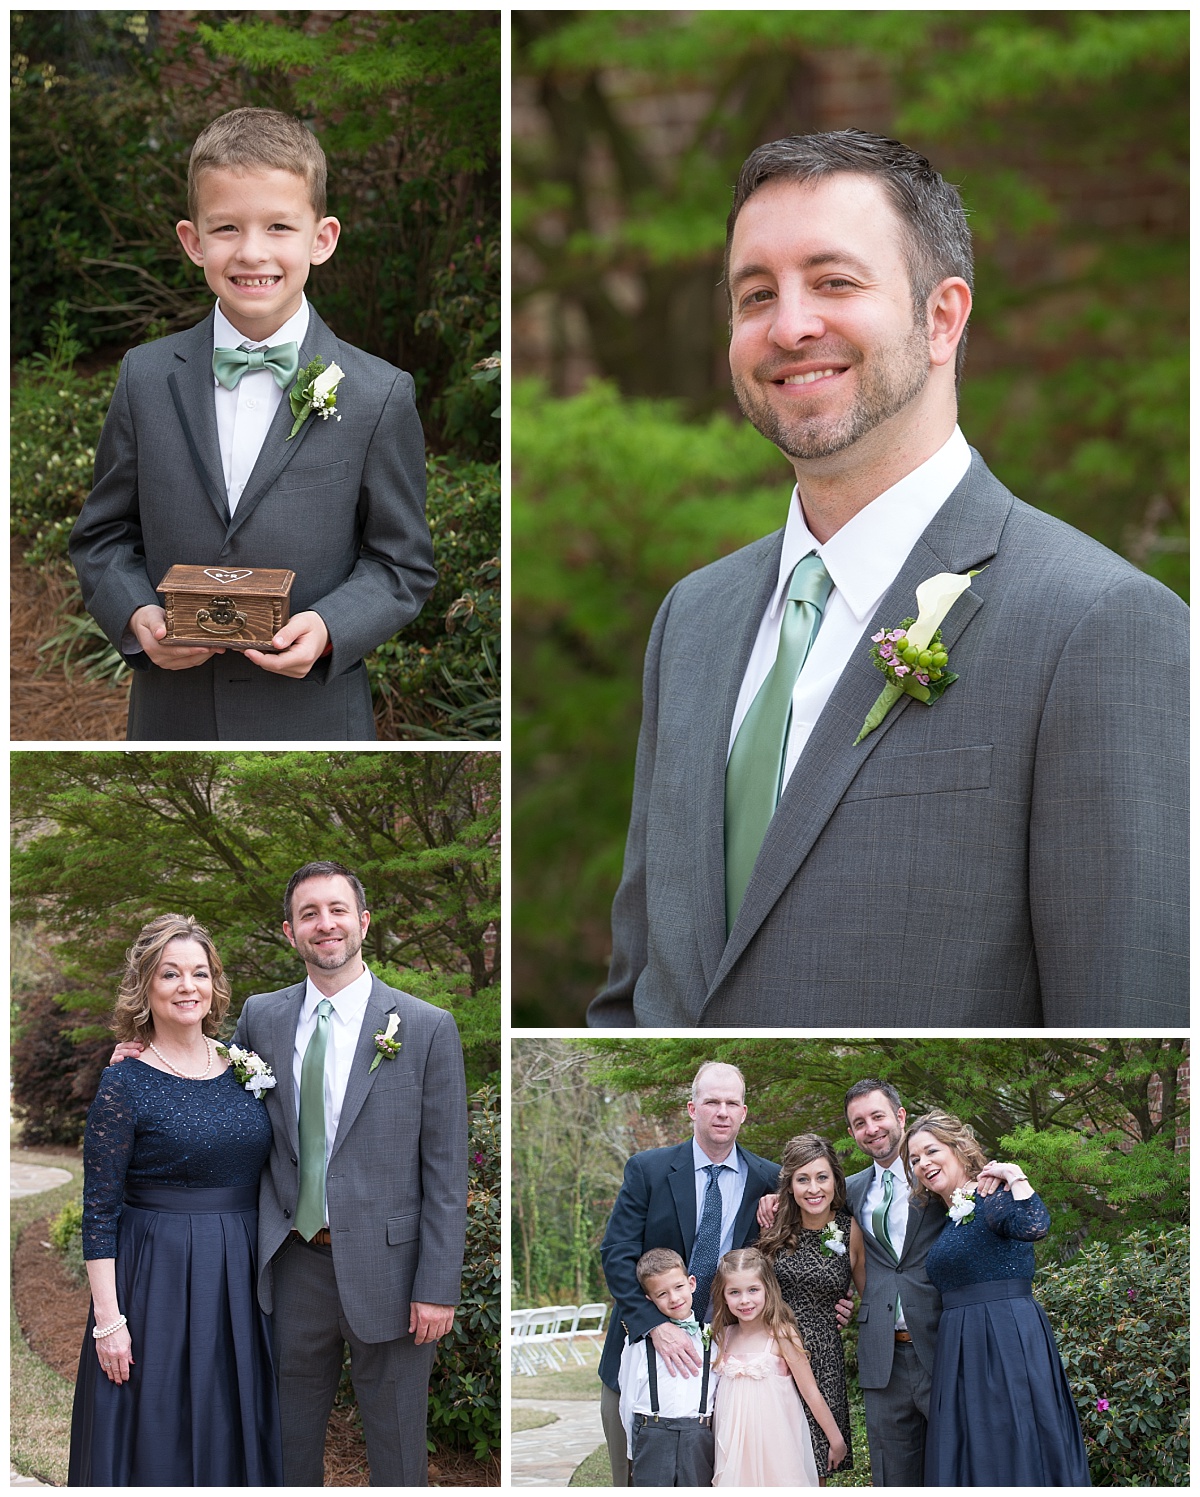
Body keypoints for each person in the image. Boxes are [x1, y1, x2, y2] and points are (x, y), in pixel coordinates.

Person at [587, 128, 1187, 1029]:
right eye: (756, 295)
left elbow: (1128, 1008)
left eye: (834, 282)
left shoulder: (1098, 624)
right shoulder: (693, 620)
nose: (789, 326)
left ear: (943, 317)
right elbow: (639, 993)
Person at [70, 106, 435, 741]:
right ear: (193, 240)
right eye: (227, 228)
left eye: (279, 227)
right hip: (172, 718)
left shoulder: (378, 394)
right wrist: (135, 615)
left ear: (321, 239)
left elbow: (401, 563)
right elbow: (101, 537)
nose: (252, 252)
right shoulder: (145, 378)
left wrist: (329, 628)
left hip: (315, 719)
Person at [111, 860, 468, 1485]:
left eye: (336, 910)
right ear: (289, 931)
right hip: (291, 1263)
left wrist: (437, 1285)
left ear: (362, 921)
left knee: (397, 1445)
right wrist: (144, 1056)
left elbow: (444, 1171)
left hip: (393, 1272)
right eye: (309, 914)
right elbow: (209, 1082)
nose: (324, 924)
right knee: (283, 1443)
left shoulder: (426, 1027)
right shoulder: (262, 1018)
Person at [68, 914, 283, 1485]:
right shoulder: (124, 1083)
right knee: (157, 1428)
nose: (188, 986)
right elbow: (99, 1212)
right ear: (146, 988)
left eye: (200, 973)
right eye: (170, 974)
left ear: (214, 984)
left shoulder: (243, 1067)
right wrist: (109, 1323)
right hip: (154, 1276)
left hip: (239, 1278)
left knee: (232, 1423)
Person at [597, 1061, 778, 1486]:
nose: (722, 1111)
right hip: (644, 1344)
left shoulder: (768, 1178)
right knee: (633, 1472)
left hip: (725, 1351)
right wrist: (655, 1326)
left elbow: (790, 1251)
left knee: (717, 1472)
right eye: (712, 1101)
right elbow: (617, 1254)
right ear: (692, 1109)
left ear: (744, 1112)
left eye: (732, 1103)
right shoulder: (649, 1169)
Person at [904, 1110, 1091, 1486]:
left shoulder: (993, 1195)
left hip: (1006, 1338)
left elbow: (1033, 1225)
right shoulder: (948, 1215)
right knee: (977, 1450)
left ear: (957, 1148)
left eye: (931, 1151)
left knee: (1013, 1437)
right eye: (914, 1159)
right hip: (961, 1347)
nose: (923, 1163)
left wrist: (1014, 1175)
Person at [758, 1133, 864, 1479]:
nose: (813, 1188)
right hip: (772, 1357)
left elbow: (871, 1294)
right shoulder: (772, 1225)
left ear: (835, 1179)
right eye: (802, 1179)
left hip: (823, 1361)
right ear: (789, 1185)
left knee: (814, 1469)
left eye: (822, 1177)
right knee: (770, 1467)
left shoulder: (850, 1230)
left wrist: (850, 1310)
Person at [710, 1246, 847, 1485]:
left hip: (775, 1443)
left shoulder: (782, 1335)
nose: (744, 1300)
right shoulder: (723, 1337)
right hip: (734, 1446)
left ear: (767, 1289)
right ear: (723, 1295)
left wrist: (836, 1439)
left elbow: (811, 1391)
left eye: (753, 1290)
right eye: (734, 1292)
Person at [617, 1249, 718, 1487]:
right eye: (662, 1293)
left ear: (691, 1283)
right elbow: (628, 1399)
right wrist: (634, 1451)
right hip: (652, 1434)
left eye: (678, 1287)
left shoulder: (714, 1338)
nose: (674, 1298)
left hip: (699, 1435)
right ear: (649, 1299)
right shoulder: (639, 1343)